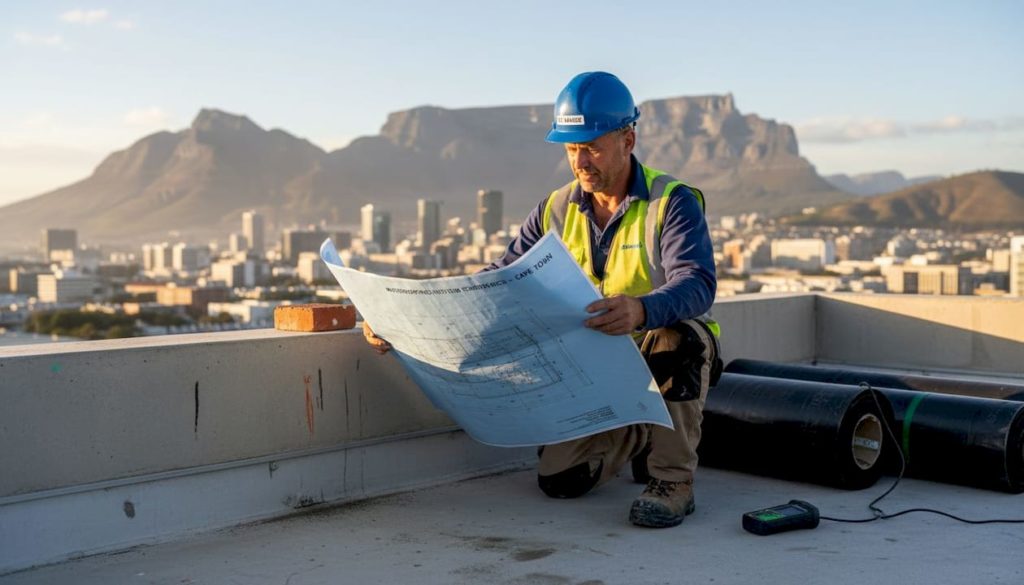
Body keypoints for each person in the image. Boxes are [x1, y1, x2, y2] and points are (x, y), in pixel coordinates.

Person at [363, 71, 720, 528]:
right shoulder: (555, 208)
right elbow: (498, 280)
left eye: (591, 147)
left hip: (663, 354)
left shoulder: (671, 201)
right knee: (561, 479)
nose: (580, 162)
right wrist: (405, 317)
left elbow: (697, 283)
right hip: (597, 363)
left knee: (678, 337)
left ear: (628, 140)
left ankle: (672, 481)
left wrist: (641, 309)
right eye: (571, 149)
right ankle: (644, 435)